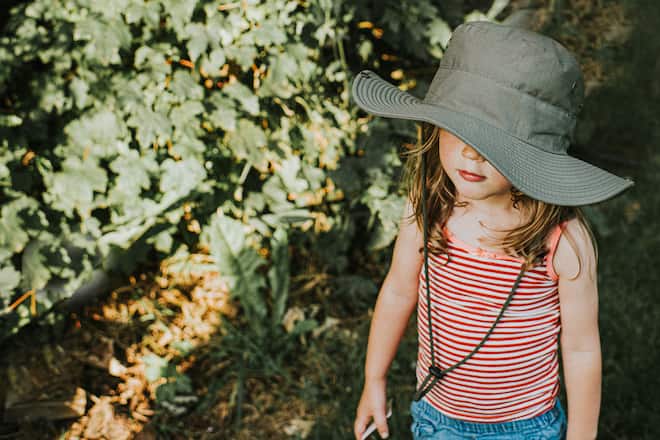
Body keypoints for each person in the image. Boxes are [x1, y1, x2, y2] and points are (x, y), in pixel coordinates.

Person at [350, 21, 634, 440]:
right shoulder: (428, 209)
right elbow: (397, 290)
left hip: (526, 427)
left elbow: (581, 348)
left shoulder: (562, 241)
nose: (470, 152)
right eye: (459, 129)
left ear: (533, 156)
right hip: (438, 416)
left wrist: (582, 434)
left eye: (493, 141)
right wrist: (374, 379)